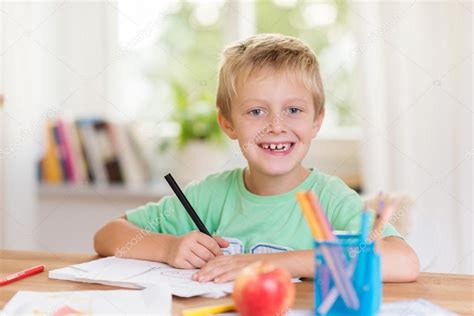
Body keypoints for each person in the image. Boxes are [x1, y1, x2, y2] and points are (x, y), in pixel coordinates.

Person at [94, 33, 419, 283]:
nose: (276, 126)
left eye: (293, 110)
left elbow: (403, 261)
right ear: (227, 123)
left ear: (317, 121)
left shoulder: (329, 199)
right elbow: (109, 235)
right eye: (256, 111)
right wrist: (168, 248)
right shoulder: (209, 195)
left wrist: (275, 263)